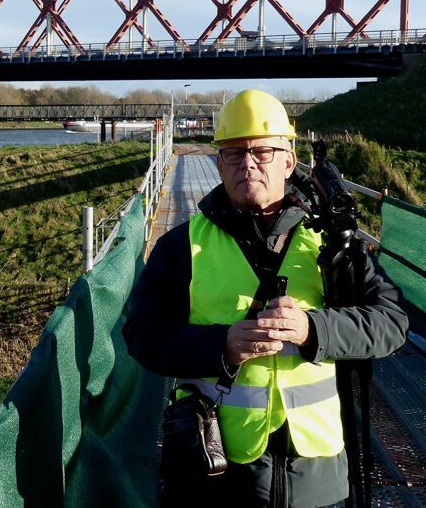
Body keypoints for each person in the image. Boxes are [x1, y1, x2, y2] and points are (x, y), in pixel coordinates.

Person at [123, 89, 408, 507]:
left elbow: (391, 322)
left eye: (263, 152)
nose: (248, 164)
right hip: (216, 471)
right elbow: (142, 335)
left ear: (290, 160)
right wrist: (220, 345)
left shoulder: (331, 245)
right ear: (218, 163)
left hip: (316, 475)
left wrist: (315, 329)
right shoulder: (181, 247)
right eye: (234, 153)